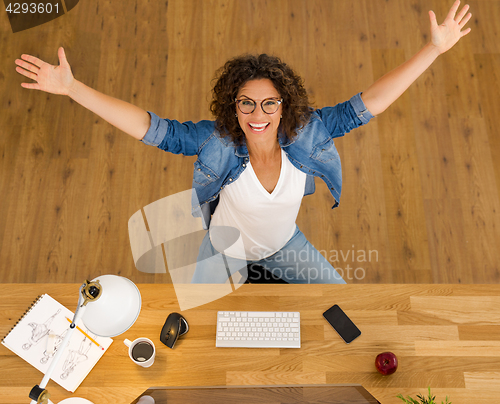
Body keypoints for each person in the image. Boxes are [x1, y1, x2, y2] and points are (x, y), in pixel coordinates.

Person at [15, 1, 472, 284]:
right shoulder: (217, 142)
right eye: (246, 104)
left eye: (269, 104)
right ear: (232, 107)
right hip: (222, 247)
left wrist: (432, 49)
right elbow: (155, 129)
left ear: (284, 105)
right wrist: (73, 89)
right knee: (200, 338)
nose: (258, 116)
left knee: (342, 308)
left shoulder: (309, 131)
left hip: (284, 244)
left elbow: (367, 103)